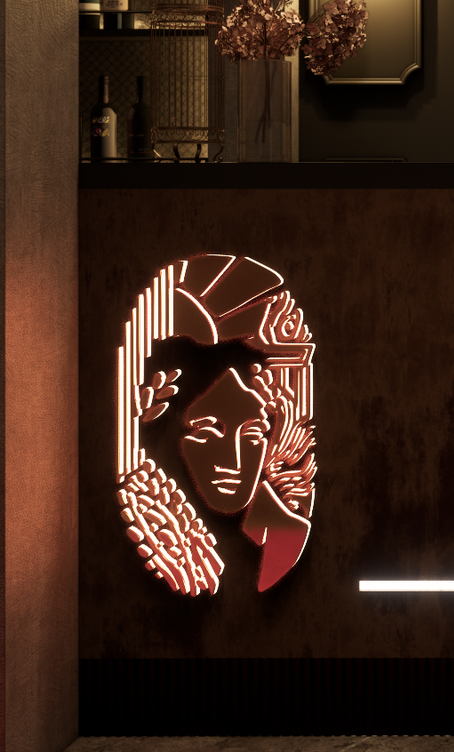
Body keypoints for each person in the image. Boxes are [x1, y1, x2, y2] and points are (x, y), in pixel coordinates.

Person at [116, 252, 316, 594]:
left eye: (253, 433)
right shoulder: (167, 539)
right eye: (209, 430)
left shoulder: (284, 533)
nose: (235, 460)